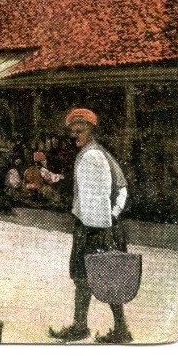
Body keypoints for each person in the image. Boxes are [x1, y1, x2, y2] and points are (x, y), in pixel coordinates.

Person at [50, 109, 132, 344]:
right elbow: (122, 189)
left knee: (103, 275)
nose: (75, 134)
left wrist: (105, 222)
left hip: (96, 227)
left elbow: (115, 190)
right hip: (95, 225)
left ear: (91, 131)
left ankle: (117, 329)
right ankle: (86, 326)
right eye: (72, 131)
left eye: (80, 130)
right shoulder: (93, 153)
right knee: (90, 277)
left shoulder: (92, 156)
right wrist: (112, 217)